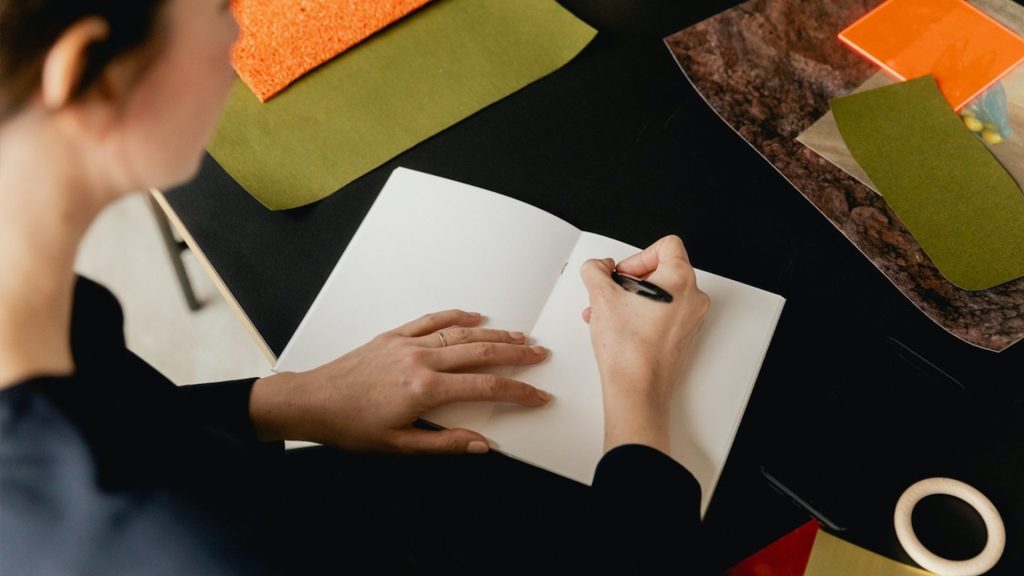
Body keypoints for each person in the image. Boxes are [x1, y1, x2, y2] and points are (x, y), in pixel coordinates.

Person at [0, 0, 711, 574]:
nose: (242, 34)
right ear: (87, 68)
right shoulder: (190, 540)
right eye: (225, 6)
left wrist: (280, 402)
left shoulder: (37, 308)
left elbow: (117, 415)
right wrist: (639, 393)